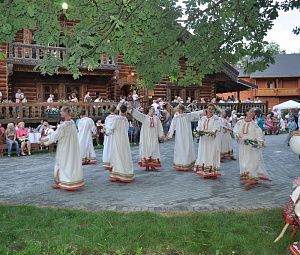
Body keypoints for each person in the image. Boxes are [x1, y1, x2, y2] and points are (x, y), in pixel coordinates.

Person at [41, 106, 84, 190]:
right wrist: (46, 138)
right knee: (71, 163)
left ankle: (61, 181)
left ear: (65, 112)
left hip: (64, 147)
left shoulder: (63, 126)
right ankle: (72, 180)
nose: (60, 113)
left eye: (61, 111)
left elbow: (55, 136)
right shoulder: (72, 123)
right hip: (72, 147)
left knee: (61, 162)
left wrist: (46, 142)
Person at [233, 108, 271, 188]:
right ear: (246, 112)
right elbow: (235, 131)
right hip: (243, 146)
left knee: (250, 162)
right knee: (244, 162)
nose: (252, 113)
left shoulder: (254, 124)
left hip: (251, 147)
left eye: (253, 112)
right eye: (251, 112)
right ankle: (248, 177)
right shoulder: (240, 122)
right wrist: (237, 136)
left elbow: (259, 134)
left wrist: (259, 142)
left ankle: (251, 179)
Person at [167, 104, 203, 171]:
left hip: (187, 135)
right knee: (181, 148)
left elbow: (195, 114)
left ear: (180, 109)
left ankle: (187, 163)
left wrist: (203, 111)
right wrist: (169, 135)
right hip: (180, 135)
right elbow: (172, 126)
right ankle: (181, 163)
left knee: (187, 147)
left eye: (178, 108)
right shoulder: (176, 117)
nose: (177, 109)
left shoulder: (187, 115)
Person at [130, 106, 165, 171]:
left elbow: (159, 127)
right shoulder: (144, 117)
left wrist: (161, 135)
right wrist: (131, 109)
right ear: (149, 110)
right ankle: (147, 165)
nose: (154, 110)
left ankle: (152, 165)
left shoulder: (156, 118)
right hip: (146, 137)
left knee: (154, 149)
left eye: (154, 109)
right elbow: (137, 114)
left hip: (153, 137)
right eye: (152, 109)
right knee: (147, 149)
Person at [194, 104, 222, 178]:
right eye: (209, 109)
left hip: (212, 141)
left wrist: (213, 132)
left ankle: (212, 171)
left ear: (214, 110)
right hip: (203, 140)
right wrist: (198, 131)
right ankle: (204, 171)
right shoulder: (202, 118)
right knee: (203, 154)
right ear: (206, 109)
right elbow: (198, 127)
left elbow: (216, 128)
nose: (210, 110)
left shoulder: (216, 119)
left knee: (211, 154)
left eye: (212, 109)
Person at [109, 105, 134, 183]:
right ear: (125, 111)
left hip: (117, 139)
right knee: (125, 155)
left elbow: (111, 128)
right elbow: (127, 129)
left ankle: (118, 173)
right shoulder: (125, 119)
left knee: (117, 155)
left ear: (119, 110)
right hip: (124, 139)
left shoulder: (115, 118)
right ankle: (125, 172)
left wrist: (106, 130)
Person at [102, 105, 118, 169]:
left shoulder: (107, 118)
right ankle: (114, 162)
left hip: (108, 135)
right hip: (114, 135)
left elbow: (105, 126)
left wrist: (105, 131)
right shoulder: (117, 118)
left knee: (108, 147)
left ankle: (107, 162)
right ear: (115, 110)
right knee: (114, 147)